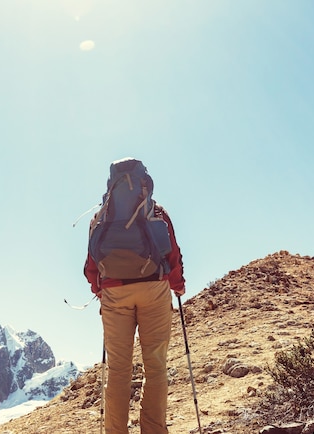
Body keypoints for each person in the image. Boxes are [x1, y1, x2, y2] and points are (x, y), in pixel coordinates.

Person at [84, 158, 185, 434]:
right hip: (154, 290)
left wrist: (101, 291)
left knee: (118, 371)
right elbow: (172, 255)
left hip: (115, 295)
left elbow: (91, 267)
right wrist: (177, 285)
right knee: (155, 366)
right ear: (144, 182)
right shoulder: (157, 212)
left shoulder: (100, 218)